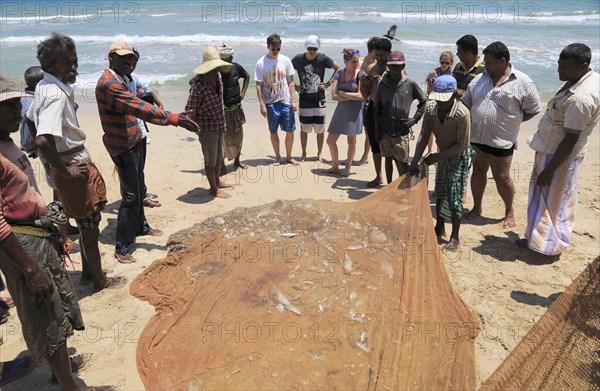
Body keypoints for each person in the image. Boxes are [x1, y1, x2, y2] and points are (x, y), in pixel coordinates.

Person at [0, 72, 110, 391]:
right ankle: (70, 386)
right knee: (45, 314)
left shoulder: (8, 144)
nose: (16, 111)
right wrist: (30, 269)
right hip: (22, 246)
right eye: (6, 107)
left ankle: (59, 369)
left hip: (39, 235)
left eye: (15, 104)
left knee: (59, 306)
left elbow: (37, 192)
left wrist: (59, 229)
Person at [28, 33, 118, 292]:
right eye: (67, 63)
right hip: (72, 166)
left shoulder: (44, 88)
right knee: (89, 230)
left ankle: (90, 275)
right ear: (49, 64)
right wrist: (64, 170)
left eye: (75, 62)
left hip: (71, 162)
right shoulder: (54, 94)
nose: (74, 68)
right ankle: (100, 281)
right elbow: (43, 139)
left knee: (86, 222)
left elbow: (31, 121)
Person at [96, 41, 199, 263]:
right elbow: (135, 106)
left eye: (132, 59)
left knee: (139, 189)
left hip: (135, 137)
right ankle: (122, 246)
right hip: (122, 144)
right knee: (131, 195)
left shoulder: (123, 79)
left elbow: (142, 99)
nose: (129, 62)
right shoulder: (109, 84)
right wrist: (173, 118)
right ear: (110, 58)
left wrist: (162, 108)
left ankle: (141, 227)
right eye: (124, 58)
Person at [519, 43, 600, 256]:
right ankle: (537, 239)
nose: (559, 70)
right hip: (552, 149)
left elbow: (571, 138)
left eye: (565, 67)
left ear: (583, 66)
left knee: (551, 201)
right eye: (558, 64)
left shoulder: (579, 99)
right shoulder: (583, 79)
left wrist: (550, 170)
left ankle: (546, 247)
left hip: (558, 155)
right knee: (556, 198)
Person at [462, 41, 541, 227]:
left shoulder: (522, 82)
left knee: (502, 177)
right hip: (477, 138)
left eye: (489, 63)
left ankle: (509, 211)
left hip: (502, 141)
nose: (485, 66)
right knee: (478, 171)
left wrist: (512, 122)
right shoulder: (479, 79)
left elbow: (533, 109)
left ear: (503, 61)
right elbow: (467, 102)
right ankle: (477, 207)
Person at [410, 75, 474, 251]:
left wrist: (438, 157)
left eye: (444, 101)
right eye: (437, 99)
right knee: (440, 191)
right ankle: (439, 227)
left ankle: (455, 237)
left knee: (454, 195)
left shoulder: (462, 113)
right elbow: (424, 135)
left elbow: (462, 145)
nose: (440, 104)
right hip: (441, 154)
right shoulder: (431, 109)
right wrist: (415, 160)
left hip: (458, 156)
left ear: (454, 95)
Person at [186, 46, 235, 199]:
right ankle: (213, 189)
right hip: (207, 128)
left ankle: (218, 182)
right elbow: (189, 110)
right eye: (214, 68)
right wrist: (197, 129)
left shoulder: (218, 77)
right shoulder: (198, 87)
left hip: (220, 124)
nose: (216, 70)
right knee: (211, 160)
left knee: (220, 158)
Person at [374, 50, 427, 182]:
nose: (395, 69)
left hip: (401, 131)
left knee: (402, 162)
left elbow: (424, 102)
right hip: (385, 130)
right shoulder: (382, 84)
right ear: (388, 66)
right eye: (392, 66)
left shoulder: (410, 83)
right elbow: (377, 109)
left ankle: (403, 189)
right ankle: (388, 186)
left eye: (398, 66)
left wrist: (415, 119)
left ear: (403, 66)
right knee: (387, 159)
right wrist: (378, 131)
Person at [292, 35, 340, 162]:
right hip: (304, 99)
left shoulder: (323, 58)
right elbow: (287, 71)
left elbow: (338, 69)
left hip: (320, 99)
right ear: (306, 48)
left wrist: (328, 84)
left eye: (314, 49)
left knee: (320, 128)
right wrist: (295, 86)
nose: (312, 51)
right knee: (304, 128)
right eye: (309, 48)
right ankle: (303, 153)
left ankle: (319, 153)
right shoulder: (298, 59)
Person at [127, 47, 164, 209]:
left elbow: (156, 101)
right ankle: (135, 199)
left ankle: (142, 196)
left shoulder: (135, 80)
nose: (131, 65)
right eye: (128, 62)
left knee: (139, 167)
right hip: (125, 134)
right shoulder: (113, 83)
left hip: (140, 129)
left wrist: (160, 114)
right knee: (130, 169)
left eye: (135, 62)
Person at [255, 33, 298, 166]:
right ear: (268, 47)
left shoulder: (285, 60)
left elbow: (291, 82)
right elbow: (258, 85)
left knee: (290, 129)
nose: (275, 52)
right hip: (270, 102)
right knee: (273, 130)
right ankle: (278, 157)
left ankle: (289, 156)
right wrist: (261, 104)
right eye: (273, 49)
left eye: (278, 49)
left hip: (285, 100)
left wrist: (293, 100)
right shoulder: (261, 62)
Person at [322, 49, 365, 177]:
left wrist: (344, 93)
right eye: (353, 62)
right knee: (330, 141)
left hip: (355, 111)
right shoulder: (339, 74)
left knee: (351, 141)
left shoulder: (360, 74)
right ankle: (335, 166)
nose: (356, 64)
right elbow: (333, 96)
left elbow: (361, 96)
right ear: (346, 61)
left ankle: (347, 167)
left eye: (357, 61)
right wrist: (349, 97)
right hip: (341, 111)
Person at [360, 38, 392, 187]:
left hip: (390, 111)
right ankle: (378, 176)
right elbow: (364, 94)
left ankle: (391, 180)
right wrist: (365, 82)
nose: (379, 58)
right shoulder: (371, 68)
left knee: (391, 146)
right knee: (375, 144)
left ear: (389, 53)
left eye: (382, 55)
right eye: (377, 55)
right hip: (373, 108)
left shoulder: (396, 68)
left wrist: (385, 80)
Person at [218, 43, 250, 173]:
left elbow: (247, 76)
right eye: (229, 58)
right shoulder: (216, 71)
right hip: (223, 110)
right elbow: (195, 80)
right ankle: (221, 164)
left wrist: (243, 91)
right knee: (223, 137)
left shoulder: (236, 67)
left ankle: (237, 161)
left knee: (238, 134)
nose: (231, 59)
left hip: (236, 107)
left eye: (232, 57)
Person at [425, 51, 455, 154]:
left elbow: (453, 92)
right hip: (433, 100)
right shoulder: (433, 73)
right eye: (442, 62)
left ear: (451, 63)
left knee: (442, 130)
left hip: (446, 104)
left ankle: (440, 151)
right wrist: (431, 83)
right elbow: (429, 92)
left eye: (447, 63)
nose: (444, 65)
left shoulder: (453, 75)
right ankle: (429, 151)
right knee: (429, 129)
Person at [356, 36, 379, 166]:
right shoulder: (363, 62)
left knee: (369, 131)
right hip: (364, 100)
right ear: (372, 50)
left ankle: (365, 156)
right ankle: (363, 156)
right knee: (365, 130)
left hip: (372, 101)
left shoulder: (378, 63)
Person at [19, 66, 43, 157]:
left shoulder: (23, 99)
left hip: (27, 143)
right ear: (38, 84)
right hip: (35, 144)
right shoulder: (36, 102)